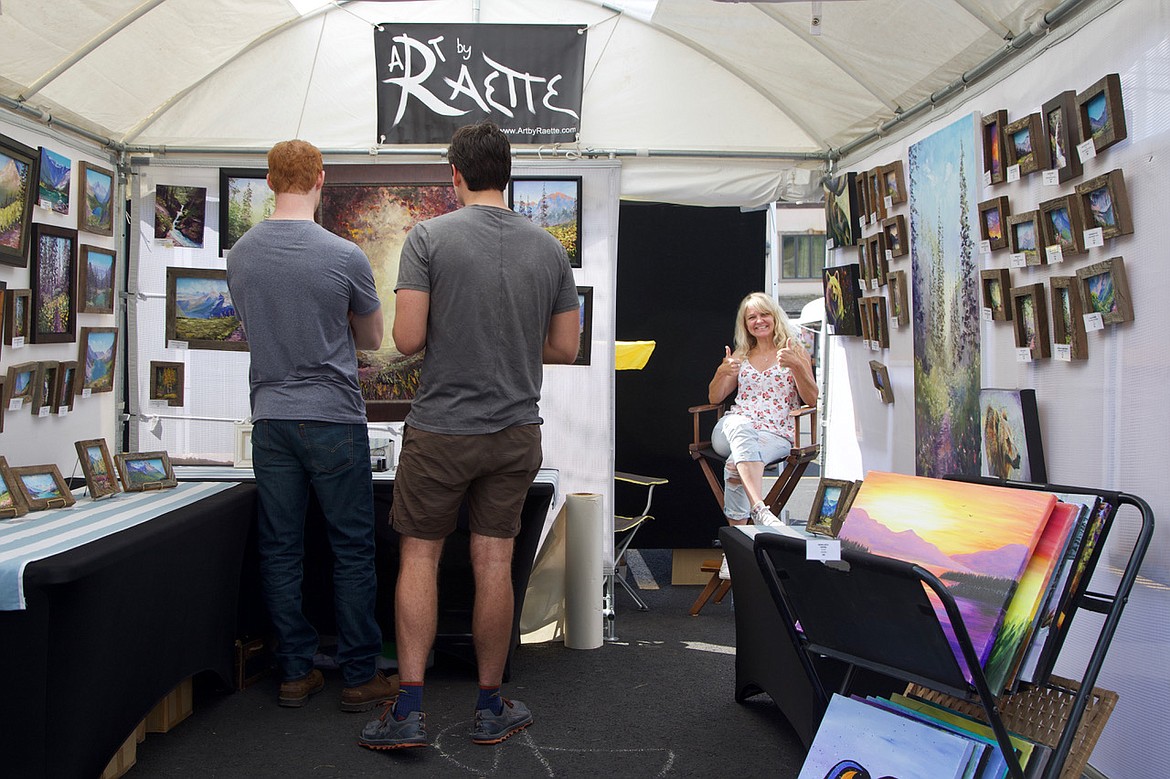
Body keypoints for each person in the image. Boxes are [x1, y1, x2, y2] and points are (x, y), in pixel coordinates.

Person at [357, 120, 580, 751]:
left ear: (455, 174)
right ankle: (490, 706)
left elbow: (407, 340)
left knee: (420, 558)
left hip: (442, 429)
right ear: (509, 173)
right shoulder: (549, 249)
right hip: (515, 430)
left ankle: (408, 710)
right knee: (494, 562)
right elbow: (565, 347)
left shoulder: (428, 237)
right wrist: (510, 335)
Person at [226, 139, 398, 713]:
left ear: (270, 181)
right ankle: (357, 676)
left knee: (280, 548)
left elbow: (253, 326)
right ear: (320, 178)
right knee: (351, 548)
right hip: (332, 416)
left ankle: (296, 672)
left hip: (271, 416)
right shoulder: (343, 255)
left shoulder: (241, 254)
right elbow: (373, 340)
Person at [707, 292, 817, 579]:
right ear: (745, 324)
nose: (759, 321)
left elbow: (812, 399)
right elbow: (715, 396)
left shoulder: (794, 350)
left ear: (774, 316)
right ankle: (760, 508)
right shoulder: (741, 356)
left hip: (774, 434)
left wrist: (796, 366)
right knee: (740, 426)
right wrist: (721, 372)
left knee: (734, 467)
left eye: (763, 314)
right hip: (730, 429)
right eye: (751, 317)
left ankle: (733, 553)